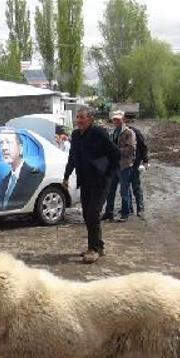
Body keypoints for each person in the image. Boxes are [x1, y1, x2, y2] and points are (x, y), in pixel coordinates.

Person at [62, 107, 120, 264]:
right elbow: (72, 157)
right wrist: (66, 176)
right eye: (78, 117)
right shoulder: (75, 135)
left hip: (101, 181)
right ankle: (96, 246)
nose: (79, 120)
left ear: (90, 119)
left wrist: (108, 171)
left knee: (93, 213)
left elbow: (115, 153)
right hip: (85, 181)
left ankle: (94, 249)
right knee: (87, 214)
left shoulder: (99, 133)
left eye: (82, 117)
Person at [0, 132, 44, 211]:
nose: (4, 148)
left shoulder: (35, 176)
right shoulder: (4, 181)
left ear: (20, 149)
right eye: (1, 143)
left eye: (8, 142)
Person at [101, 111, 136, 222]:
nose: (116, 121)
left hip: (124, 166)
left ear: (123, 120)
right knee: (110, 190)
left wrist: (115, 151)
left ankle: (125, 213)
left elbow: (130, 149)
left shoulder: (129, 133)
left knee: (124, 191)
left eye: (118, 119)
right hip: (114, 166)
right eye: (114, 120)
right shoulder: (114, 132)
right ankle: (108, 213)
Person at [127, 120, 149, 218]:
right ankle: (129, 208)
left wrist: (145, 161)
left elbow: (143, 146)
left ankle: (140, 208)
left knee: (136, 185)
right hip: (124, 164)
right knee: (126, 187)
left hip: (135, 163)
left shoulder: (135, 131)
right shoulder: (117, 132)